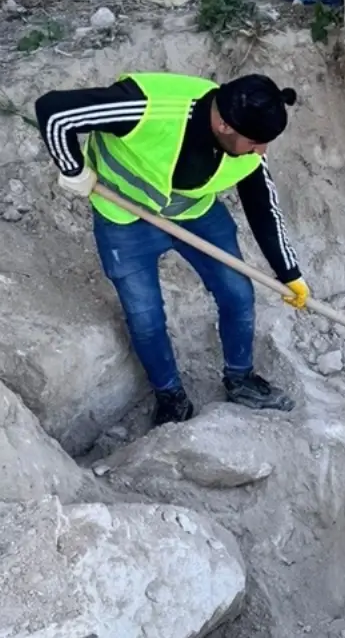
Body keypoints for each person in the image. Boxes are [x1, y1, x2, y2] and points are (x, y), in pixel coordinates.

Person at [36, 70, 308, 425]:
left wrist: (290, 273)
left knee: (238, 293)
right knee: (145, 317)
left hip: (193, 213)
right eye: (256, 142)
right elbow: (55, 111)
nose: (262, 151)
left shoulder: (248, 142)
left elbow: (263, 207)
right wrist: (73, 167)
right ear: (225, 125)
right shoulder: (148, 108)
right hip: (124, 219)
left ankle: (240, 379)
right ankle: (171, 397)